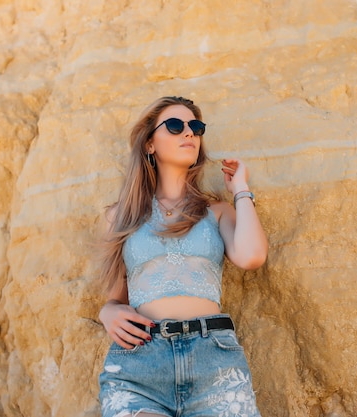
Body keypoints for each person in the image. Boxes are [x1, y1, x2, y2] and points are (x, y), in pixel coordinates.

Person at [97, 96, 268, 417]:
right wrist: (108, 313)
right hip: (141, 363)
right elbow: (116, 298)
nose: (188, 133)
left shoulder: (217, 212)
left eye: (196, 127)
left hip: (215, 362)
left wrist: (241, 190)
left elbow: (252, 256)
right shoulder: (119, 216)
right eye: (175, 126)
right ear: (150, 144)